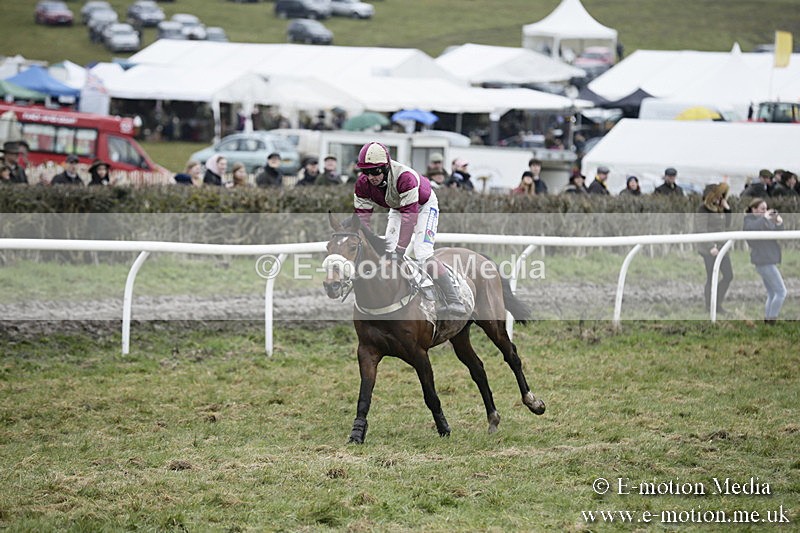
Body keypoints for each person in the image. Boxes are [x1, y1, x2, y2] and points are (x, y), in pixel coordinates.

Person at [353, 141, 466, 316]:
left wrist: (400, 249)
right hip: (399, 206)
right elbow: (362, 219)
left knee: (422, 253)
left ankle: (454, 300)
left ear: (385, 167)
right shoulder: (362, 184)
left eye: (375, 171)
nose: (371, 176)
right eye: (366, 171)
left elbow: (409, 218)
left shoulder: (405, 177)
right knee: (387, 252)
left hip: (423, 206)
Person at [743, 198, 787, 324]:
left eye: (766, 209)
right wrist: (765, 218)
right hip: (763, 261)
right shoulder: (749, 220)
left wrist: (779, 223)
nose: (765, 211)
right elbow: (751, 229)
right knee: (781, 292)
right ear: (754, 209)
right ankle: (771, 321)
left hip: (767, 260)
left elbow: (778, 235)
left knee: (772, 293)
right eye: (762, 209)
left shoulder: (764, 221)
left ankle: (767, 322)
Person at [695, 182, 733, 314]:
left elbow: (727, 224)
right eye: (718, 196)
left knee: (728, 275)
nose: (720, 198)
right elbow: (701, 229)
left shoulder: (720, 208)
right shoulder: (703, 209)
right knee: (711, 277)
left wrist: (727, 209)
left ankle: (717, 303)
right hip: (709, 249)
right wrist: (710, 246)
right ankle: (710, 306)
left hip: (722, 248)